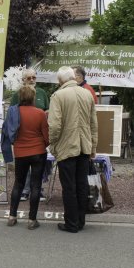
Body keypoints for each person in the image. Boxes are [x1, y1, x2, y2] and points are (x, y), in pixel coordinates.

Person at [48, 66, 98, 233]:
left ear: (60, 80)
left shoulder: (58, 96)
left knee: (69, 187)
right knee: (81, 185)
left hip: (66, 148)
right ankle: (80, 221)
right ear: (73, 78)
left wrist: (53, 144)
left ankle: (71, 223)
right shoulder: (87, 94)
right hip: (84, 147)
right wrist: (93, 146)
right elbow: (93, 124)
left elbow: (54, 126)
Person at [6, 86, 49, 229]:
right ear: (32, 98)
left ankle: (12, 216)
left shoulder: (14, 113)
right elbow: (46, 135)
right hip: (38, 152)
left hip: (20, 152)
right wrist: (45, 143)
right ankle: (32, 220)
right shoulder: (40, 113)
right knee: (35, 185)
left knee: (18, 183)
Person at [11, 68, 49, 201]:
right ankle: (25, 190)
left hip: (40, 137)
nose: (32, 80)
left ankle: (38, 190)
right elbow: (12, 116)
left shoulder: (42, 93)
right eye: (29, 78)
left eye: (34, 77)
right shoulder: (17, 95)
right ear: (23, 80)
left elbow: (48, 111)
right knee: (24, 169)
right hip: (23, 138)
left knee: (40, 168)